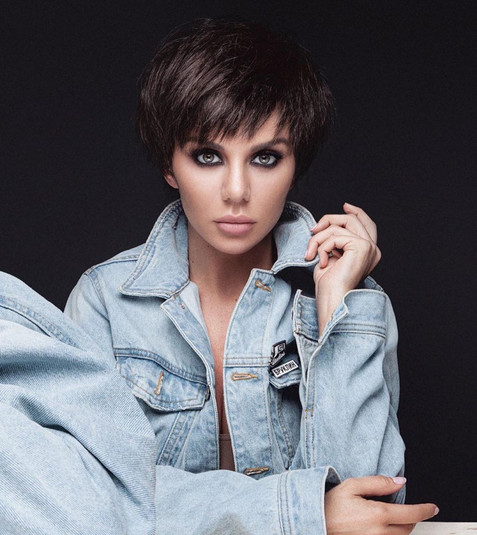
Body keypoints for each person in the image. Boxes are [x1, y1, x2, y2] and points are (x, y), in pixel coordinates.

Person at [0, 17, 437, 535]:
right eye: (207, 156)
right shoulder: (106, 300)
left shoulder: (346, 296)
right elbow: (91, 496)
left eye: (265, 158)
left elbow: (373, 505)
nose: (236, 191)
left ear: (294, 167)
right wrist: (299, 512)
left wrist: (339, 305)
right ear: (169, 166)